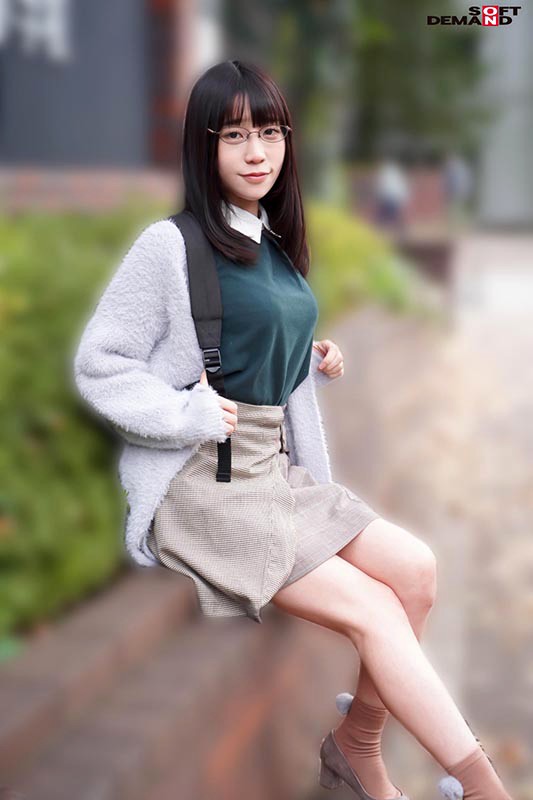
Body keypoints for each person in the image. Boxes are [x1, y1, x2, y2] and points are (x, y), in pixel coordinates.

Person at [73, 59, 514, 800]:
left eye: (271, 133)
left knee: (415, 570)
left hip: (272, 469)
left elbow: (247, 338)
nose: (257, 152)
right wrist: (182, 412)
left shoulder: (270, 240)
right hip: (207, 483)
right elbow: (101, 362)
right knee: (374, 609)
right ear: (203, 145)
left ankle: (355, 747)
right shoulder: (170, 246)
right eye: (234, 135)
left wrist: (307, 359)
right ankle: (483, 789)